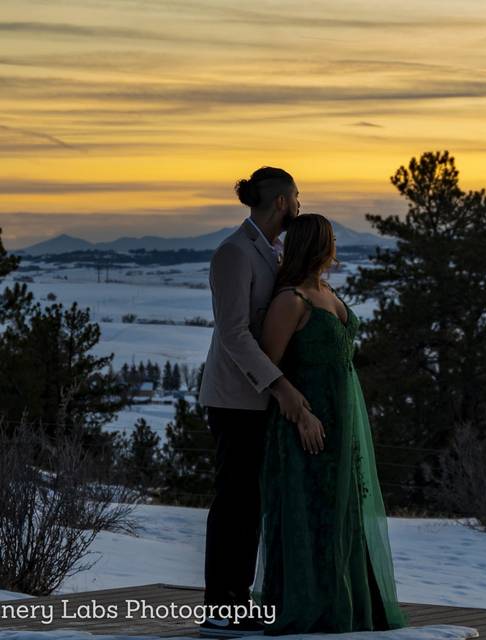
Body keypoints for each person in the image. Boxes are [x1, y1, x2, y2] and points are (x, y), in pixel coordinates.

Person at [252, 213, 408, 634]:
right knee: (310, 511)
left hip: (343, 421)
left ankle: (351, 601)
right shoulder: (291, 299)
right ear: (318, 244)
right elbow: (267, 366)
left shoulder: (326, 291)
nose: (335, 245)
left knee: (343, 511)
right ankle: (311, 606)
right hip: (306, 423)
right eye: (330, 239)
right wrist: (300, 413)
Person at [198, 167, 323, 637]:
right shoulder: (234, 253)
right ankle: (219, 603)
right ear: (281, 202)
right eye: (296, 196)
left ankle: (238, 597)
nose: (299, 203)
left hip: (262, 396)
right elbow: (233, 333)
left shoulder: (271, 251)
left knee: (252, 500)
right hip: (236, 398)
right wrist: (280, 386)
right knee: (234, 500)